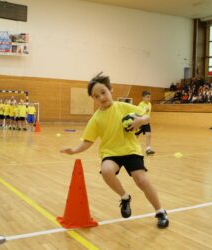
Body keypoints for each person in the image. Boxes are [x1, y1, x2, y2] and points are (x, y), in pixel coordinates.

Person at [60, 72, 169, 228]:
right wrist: (74, 150)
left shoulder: (123, 106)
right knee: (106, 171)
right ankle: (124, 197)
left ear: (111, 90)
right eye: (96, 96)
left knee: (141, 180)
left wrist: (140, 121)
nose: (101, 97)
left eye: (103, 92)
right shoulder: (96, 118)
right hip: (111, 153)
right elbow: (88, 140)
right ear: (93, 99)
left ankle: (160, 211)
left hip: (130, 149)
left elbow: (146, 117)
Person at [135, 91, 155, 155]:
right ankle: (132, 148)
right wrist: (144, 111)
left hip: (146, 123)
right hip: (140, 123)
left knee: (148, 135)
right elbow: (138, 114)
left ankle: (148, 149)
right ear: (143, 98)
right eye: (147, 97)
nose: (149, 99)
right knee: (135, 136)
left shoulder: (149, 104)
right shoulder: (141, 105)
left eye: (150, 97)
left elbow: (148, 113)